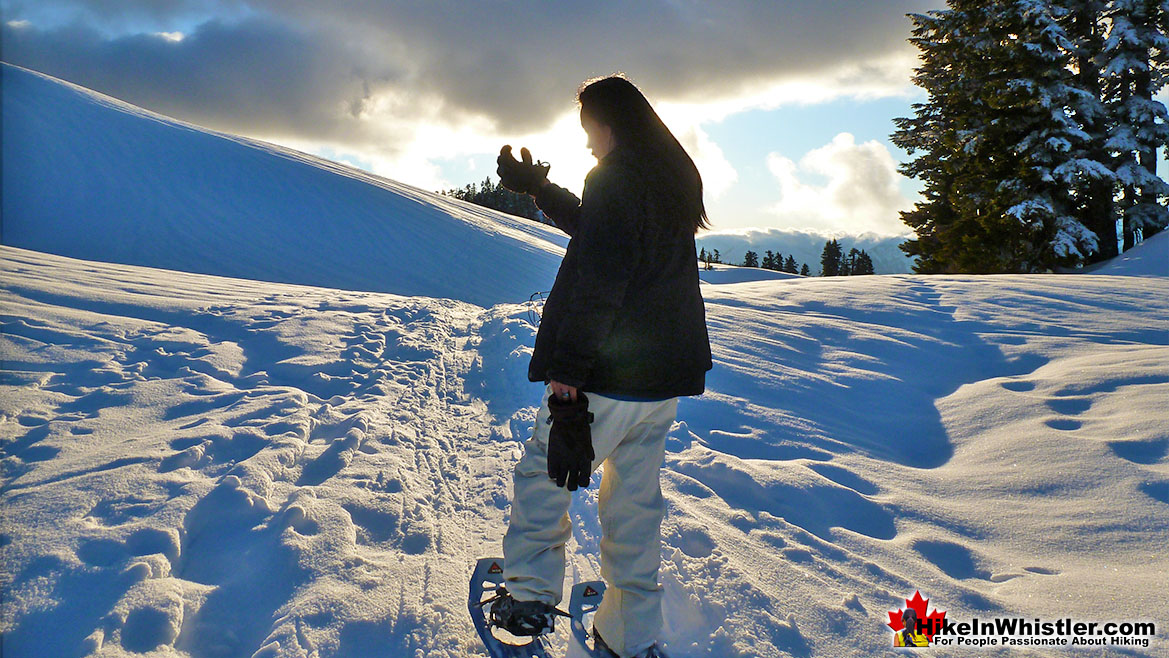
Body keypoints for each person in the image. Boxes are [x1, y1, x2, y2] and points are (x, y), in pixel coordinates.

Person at [489, 75, 713, 658]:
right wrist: (540, 189)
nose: (588, 143)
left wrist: (568, 377)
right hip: (661, 380)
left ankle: (530, 600)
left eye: (590, 129)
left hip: (606, 376)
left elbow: (601, 279)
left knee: (545, 474)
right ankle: (630, 631)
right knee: (635, 502)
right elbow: (602, 233)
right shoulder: (671, 177)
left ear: (610, 122)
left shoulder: (616, 178)